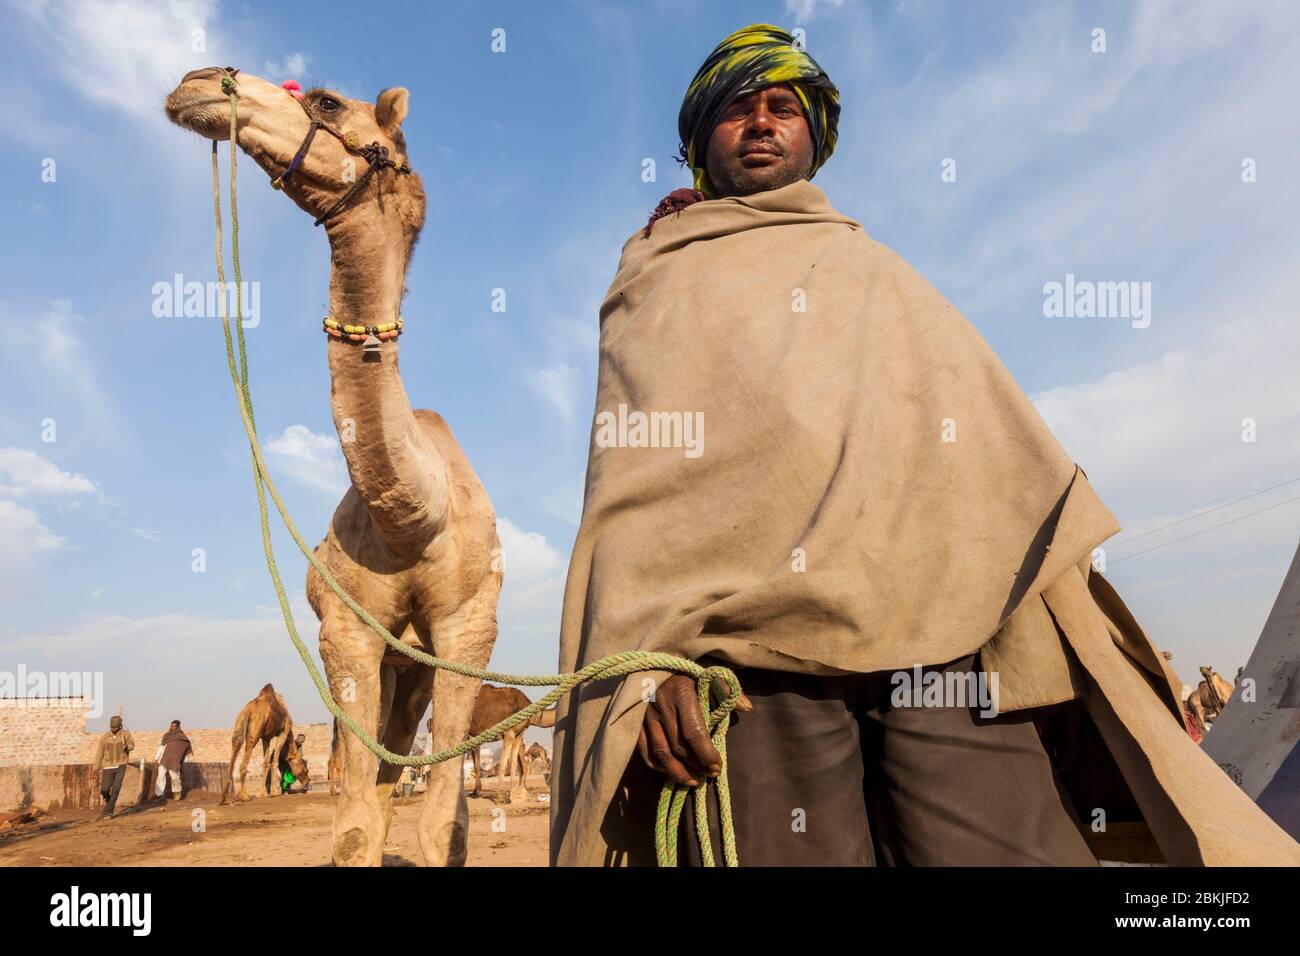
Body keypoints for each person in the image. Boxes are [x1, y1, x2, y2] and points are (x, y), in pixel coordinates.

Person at [549, 23, 1300, 866]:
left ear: (812, 138)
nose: (760, 123)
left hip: (946, 632)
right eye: (735, 110)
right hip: (752, 659)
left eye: (782, 107)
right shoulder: (658, 275)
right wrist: (645, 665)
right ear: (700, 139)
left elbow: (981, 444)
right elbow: (636, 494)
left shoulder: (877, 273)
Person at [93, 715, 135, 820]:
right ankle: (109, 800)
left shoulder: (125, 734)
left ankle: (108, 812)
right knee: (104, 789)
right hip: (108, 765)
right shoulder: (105, 737)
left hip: (121, 764)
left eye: (115, 727)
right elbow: (100, 752)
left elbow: (132, 745)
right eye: (112, 727)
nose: (113, 729)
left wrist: (127, 747)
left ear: (119, 726)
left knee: (116, 788)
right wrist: (96, 766)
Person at [153, 720, 192, 802]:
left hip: (175, 760)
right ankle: (159, 795)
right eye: (171, 726)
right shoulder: (167, 736)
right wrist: (157, 757)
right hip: (164, 759)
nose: (172, 728)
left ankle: (176, 793)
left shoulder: (182, 737)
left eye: (174, 726)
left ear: (178, 727)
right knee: (160, 776)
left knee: (175, 777)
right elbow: (162, 747)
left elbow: (185, 749)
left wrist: (183, 760)